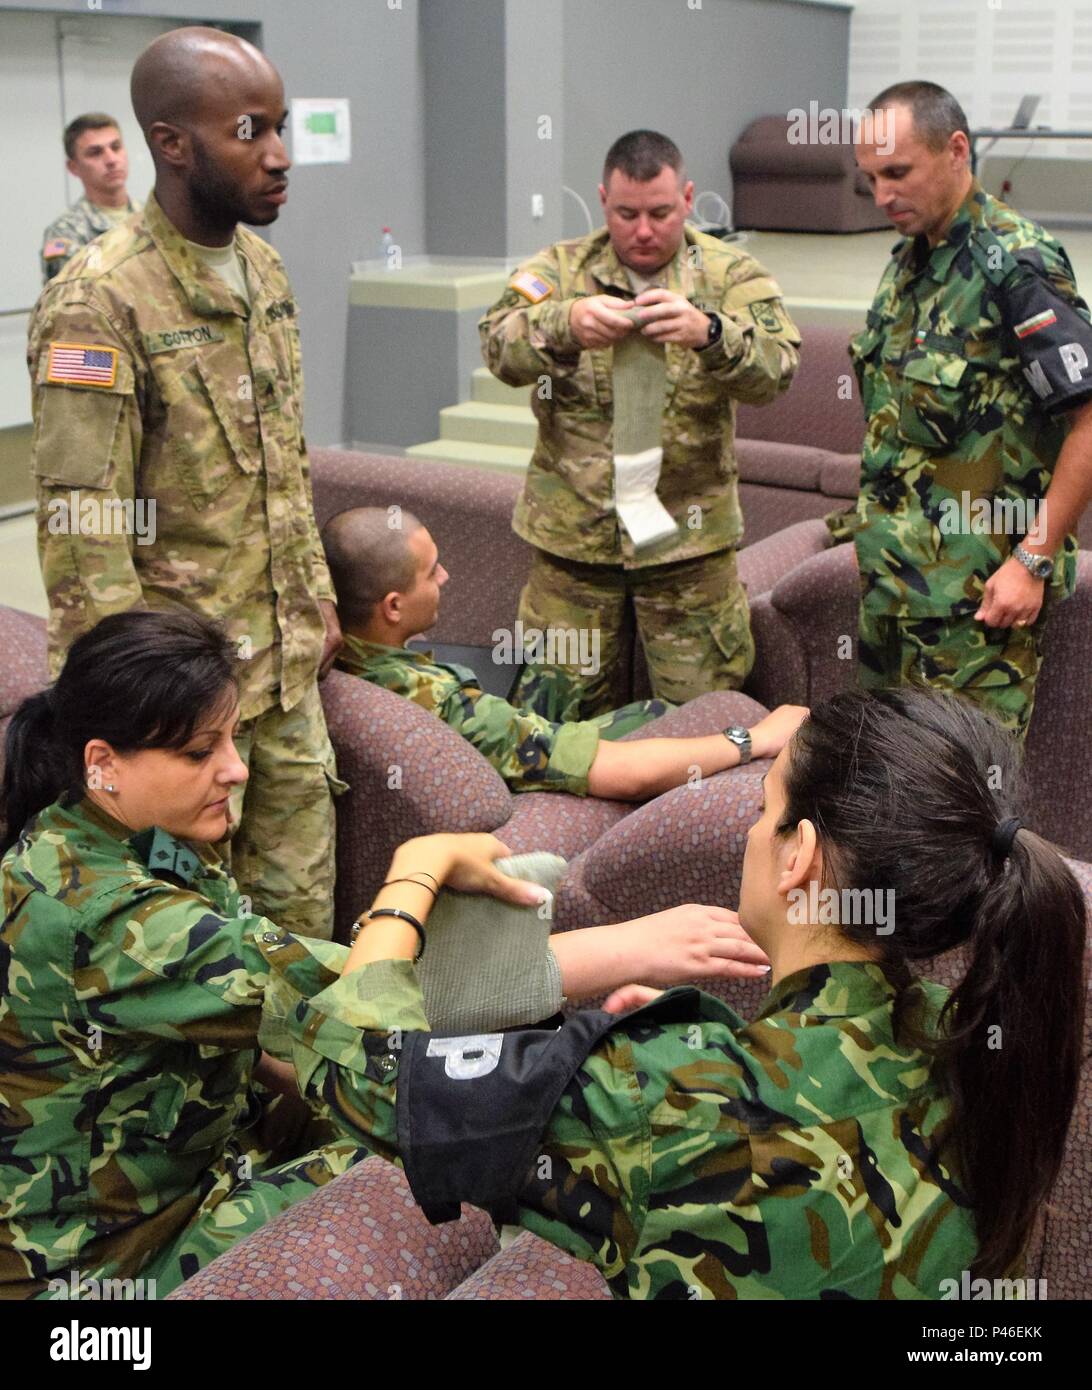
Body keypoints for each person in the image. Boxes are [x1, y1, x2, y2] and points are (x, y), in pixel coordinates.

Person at [0, 609, 772, 1299]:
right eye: (203, 751)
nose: (235, 770)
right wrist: (419, 870)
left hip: (202, 1154)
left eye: (232, 739)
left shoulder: (131, 838)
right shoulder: (106, 915)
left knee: (423, 1110)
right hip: (106, 1263)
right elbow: (354, 999)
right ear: (103, 762)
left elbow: (312, 1009)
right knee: (415, 1169)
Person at [266, 687, 1086, 1299]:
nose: (753, 837)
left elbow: (357, 1064)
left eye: (764, 814)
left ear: (799, 857)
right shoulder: (970, 1036)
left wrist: (414, 869)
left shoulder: (669, 1089)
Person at [27, 28, 342, 939]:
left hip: (280, 686)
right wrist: (136, 728)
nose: (279, 156)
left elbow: (285, 458)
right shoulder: (100, 300)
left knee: (299, 951)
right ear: (172, 142)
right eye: (251, 131)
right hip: (174, 717)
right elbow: (86, 534)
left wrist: (316, 598)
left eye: (281, 128)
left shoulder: (261, 268)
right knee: (185, 957)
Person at [479, 129, 800, 716]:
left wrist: (710, 335)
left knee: (707, 722)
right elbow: (498, 349)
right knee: (553, 721)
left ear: (688, 198)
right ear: (604, 201)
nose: (644, 230)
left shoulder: (728, 275)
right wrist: (563, 322)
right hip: (575, 546)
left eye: (660, 212)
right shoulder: (559, 268)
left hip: (687, 547)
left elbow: (777, 371)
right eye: (626, 214)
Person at [834, 81, 1092, 739]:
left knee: (965, 808)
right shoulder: (908, 263)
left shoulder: (1016, 262)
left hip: (975, 610)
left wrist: (1033, 560)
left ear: (955, 150)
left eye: (898, 172)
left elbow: (1088, 419)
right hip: (892, 594)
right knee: (885, 795)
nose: (883, 195)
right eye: (869, 179)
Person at [323, 507, 806, 800]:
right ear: (393, 606)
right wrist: (755, 739)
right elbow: (622, 774)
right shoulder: (453, 709)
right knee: (656, 711)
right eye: (431, 573)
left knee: (552, 666)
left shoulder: (326, 663)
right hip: (514, 775)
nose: (446, 577)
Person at [40, 113, 141, 284]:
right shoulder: (66, 232)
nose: (111, 160)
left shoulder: (152, 215)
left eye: (116, 147)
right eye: (95, 153)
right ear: (73, 167)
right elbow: (73, 301)